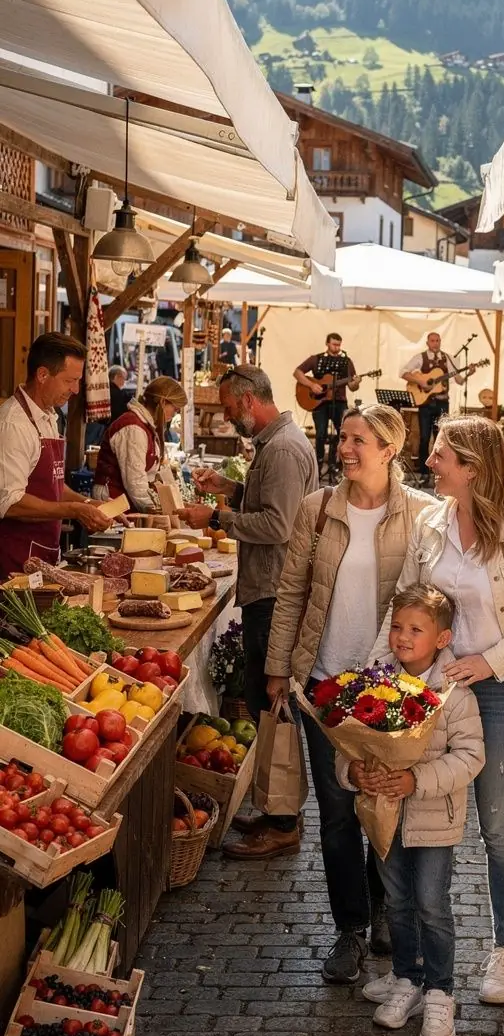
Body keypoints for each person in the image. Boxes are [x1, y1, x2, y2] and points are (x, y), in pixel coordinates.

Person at [386, 415, 504, 1005]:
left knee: (497, 822)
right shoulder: (430, 523)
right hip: (431, 687)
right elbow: (407, 602)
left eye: (441, 455)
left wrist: (489, 662)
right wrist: (379, 677)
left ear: (472, 467)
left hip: (501, 688)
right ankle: (411, 963)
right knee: (416, 808)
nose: (430, 462)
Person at [265, 404, 436, 983]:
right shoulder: (317, 511)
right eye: (343, 438)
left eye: (358, 440)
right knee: (337, 813)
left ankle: (386, 909)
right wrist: (277, 668)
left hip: (391, 688)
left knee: (386, 801)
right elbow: (290, 593)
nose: (345, 449)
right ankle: (350, 929)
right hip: (322, 687)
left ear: (389, 450)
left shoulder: (422, 517)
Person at [336, 585, 484, 1036]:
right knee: (396, 900)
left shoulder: (455, 693)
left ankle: (440, 991)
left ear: (441, 639)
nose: (402, 636)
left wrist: (416, 780)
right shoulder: (375, 685)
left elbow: (470, 756)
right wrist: (354, 772)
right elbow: (350, 745)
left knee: (431, 904)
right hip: (385, 815)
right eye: (397, 626)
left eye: (416, 629)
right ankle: (407, 978)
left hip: (435, 819)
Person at [182, 365, 319, 858]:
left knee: (274, 705)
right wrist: (232, 488)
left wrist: (217, 515)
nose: (225, 416)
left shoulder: (281, 449)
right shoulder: (278, 444)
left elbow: (279, 525)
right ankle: (276, 809)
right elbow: (275, 506)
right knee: (267, 704)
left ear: (246, 402)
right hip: (272, 588)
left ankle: (282, 822)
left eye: (225, 407)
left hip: (275, 591)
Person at [0, 332, 113, 580]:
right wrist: (74, 510)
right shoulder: (14, 425)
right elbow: (10, 503)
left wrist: (87, 504)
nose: (74, 390)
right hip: (13, 561)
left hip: (43, 555)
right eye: (69, 381)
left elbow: (52, 486)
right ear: (42, 375)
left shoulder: (49, 416)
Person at [92, 377, 187, 513]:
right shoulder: (133, 428)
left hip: (125, 501)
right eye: (175, 409)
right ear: (163, 402)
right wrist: (160, 510)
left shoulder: (145, 425)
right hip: (113, 504)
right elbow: (135, 483)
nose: (174, 414)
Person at [401, 332, 469, 479]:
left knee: (441, 438)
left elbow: (459, 380)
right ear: (427, 343)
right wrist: (421, 382)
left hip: (443, 402)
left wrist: (468, 373)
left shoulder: (448, 358)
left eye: (438, 340)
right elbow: (403, 372)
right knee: (424, 437)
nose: (435, 343)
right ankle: (424, 474)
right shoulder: (420, 358)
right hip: (425, 403)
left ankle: (439, 474)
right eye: (432, 341)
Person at [293, 333, 360, 474]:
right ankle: (317, 463)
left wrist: (356, 383)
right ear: (327, 344)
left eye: (339, 345)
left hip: (340, 401)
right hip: (320, 403)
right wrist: (312, 385)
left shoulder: (346, 362)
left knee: (342, 432)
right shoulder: (316, 359)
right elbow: (297, 373)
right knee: (321, 433)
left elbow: (352, 387)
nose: (336, 348)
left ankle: (333, 464)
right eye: (334, 344)